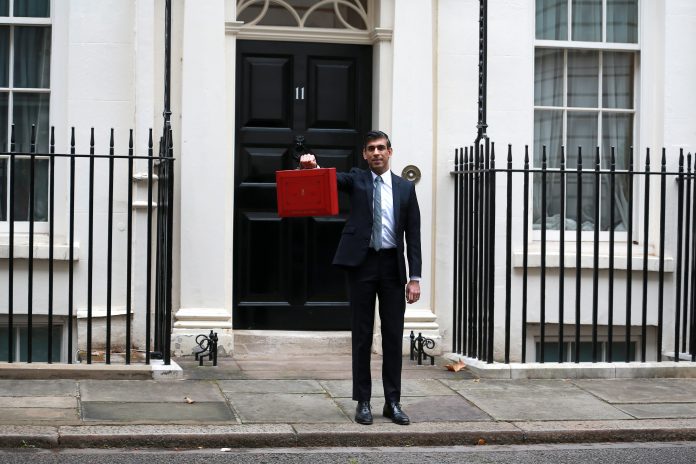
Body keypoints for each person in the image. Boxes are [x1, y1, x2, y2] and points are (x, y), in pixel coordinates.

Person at [299, 130, 421, 426]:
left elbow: (414, 235)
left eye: (381, 148)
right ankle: (363, 402)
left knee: (393, 337)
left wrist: (414, 277)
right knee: (362, 336)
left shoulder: (405, 188)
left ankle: (393, 402)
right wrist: (312, 166)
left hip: (392, 267)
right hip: (362, 264)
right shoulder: (357, 179)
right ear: (365, 155)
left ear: (390, 152)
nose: (376, 153)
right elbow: (332, 179)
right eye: (371, 149)